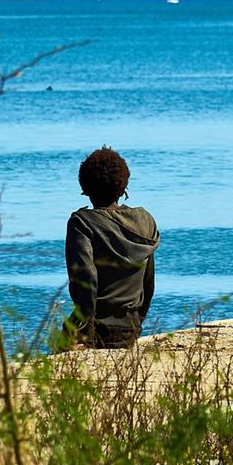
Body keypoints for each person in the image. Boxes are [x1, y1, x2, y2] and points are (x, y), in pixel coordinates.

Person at [64, 147, 160, 348]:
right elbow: (148, 283)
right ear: (123, 187)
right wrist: (136, 325)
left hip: (96, 328)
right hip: (130, 327)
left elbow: (87, 281)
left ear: (85, 187)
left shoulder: (81, 223)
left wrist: (86, 335)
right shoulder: (145, 220)